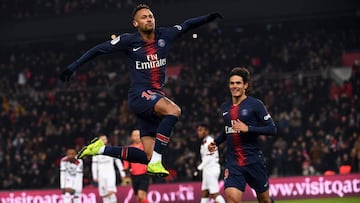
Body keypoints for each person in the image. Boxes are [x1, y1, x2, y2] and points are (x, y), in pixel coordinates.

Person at [59, 3, 222, 177]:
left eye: (150, 16)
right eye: (144, 17)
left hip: (154, 98)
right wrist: (73, 66)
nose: (149, 19)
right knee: (173, 110)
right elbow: (99, 49)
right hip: (139, 95)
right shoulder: (129, 41)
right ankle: (157, 160)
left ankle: (100, 149)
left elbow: (187, 25)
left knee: (147, 157)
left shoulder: (164, 35)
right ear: (135, 23)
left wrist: (208, 17)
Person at [208, 67, 277, 203]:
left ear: (245, 85)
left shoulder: (256, 104)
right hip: (233, 163)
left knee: (264, 200)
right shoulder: (225, 107)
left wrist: (248, 128)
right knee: (232, 199)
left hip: (253, 161)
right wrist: (216, 142)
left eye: (238, 83)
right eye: (232, 83)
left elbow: (272, 129)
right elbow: (228, 129)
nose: (235, 86)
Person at [91, 134, 126, 203]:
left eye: (105, 139)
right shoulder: (95, 152)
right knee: (104, 194)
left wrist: (122, 173)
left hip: (110, 175)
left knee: (111, 192)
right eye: (102, 139)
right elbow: (94, 165)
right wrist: (94, 176)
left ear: (107, 140)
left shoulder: (112, 150)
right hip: (101, 175)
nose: (103, 141)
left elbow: (118, 162)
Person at [196, 123, 225, 203]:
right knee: (205, 193)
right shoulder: (204, 142)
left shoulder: (210, 141)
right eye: (198, 130)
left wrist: (199, 168)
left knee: (215, 194)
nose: (198, 132)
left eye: (201, 130)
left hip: (212, 169)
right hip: (207, 170)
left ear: (206, 131)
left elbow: (209, 157)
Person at [123, 129, 151, 203]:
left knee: (141, 195)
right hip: (134, 175)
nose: (136, 137)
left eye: (138, 135)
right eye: (134, 135)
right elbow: (126, 160)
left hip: (144, 174)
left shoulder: (146, 147)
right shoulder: (129, 148)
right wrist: (126, 170)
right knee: (139, 198)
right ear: (131, 137)